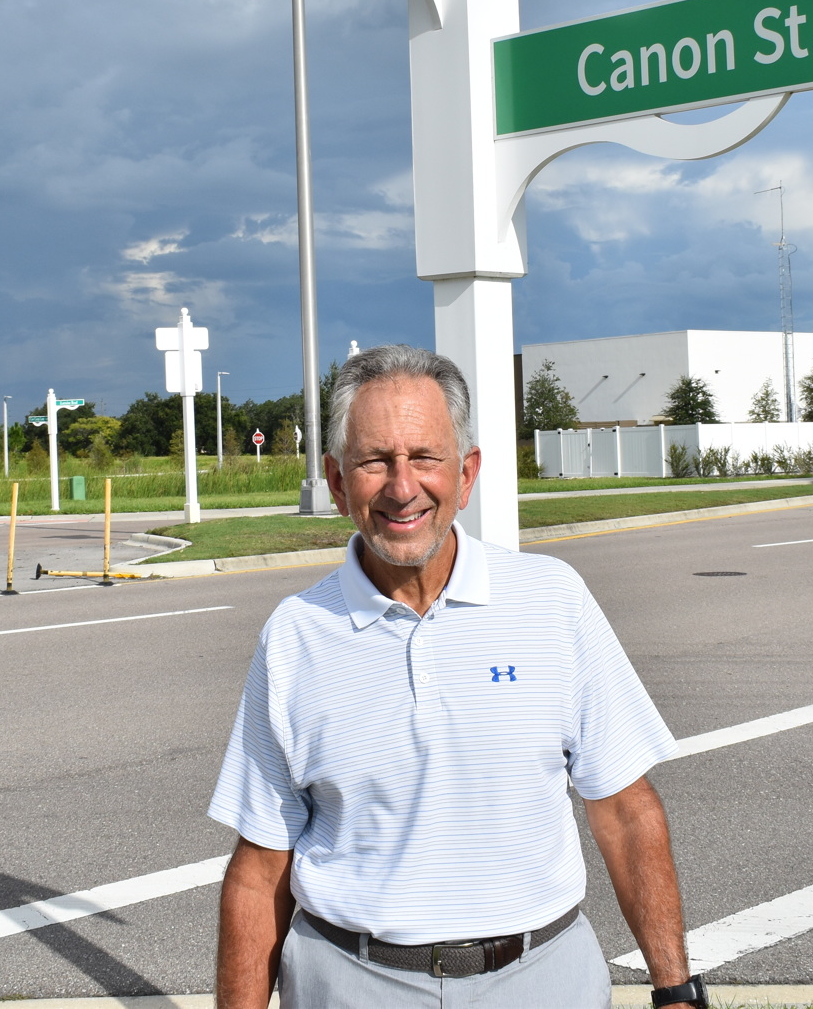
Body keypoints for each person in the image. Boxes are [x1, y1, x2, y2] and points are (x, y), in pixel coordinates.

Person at [209, 344, 702, 1008]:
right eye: (374, 460)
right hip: (353, 985)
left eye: (424, 457)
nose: (402, 486)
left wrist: (675, 989)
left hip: (543, 978)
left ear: (466, 473)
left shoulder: (553, 600)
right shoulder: (296, 634)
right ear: (335, 480)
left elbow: (624, 810)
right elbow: (258, 870)